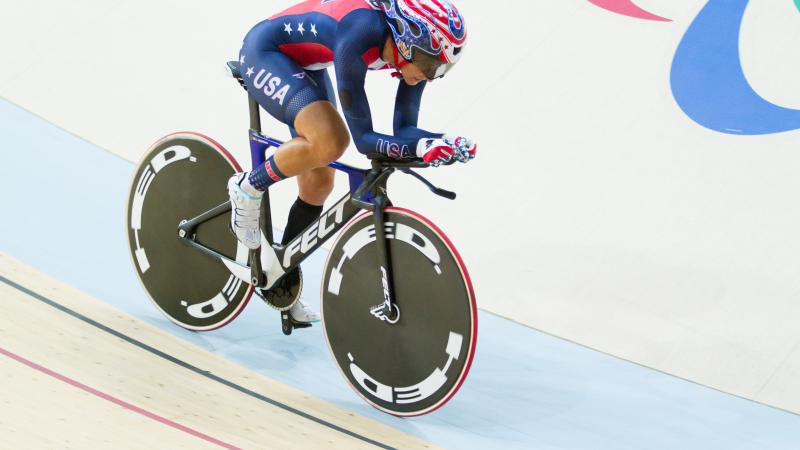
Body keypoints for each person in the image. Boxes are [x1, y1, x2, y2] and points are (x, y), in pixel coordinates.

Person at [228, 0, 477, 325]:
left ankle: (278, 274)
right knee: (331, 140)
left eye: (442, 69)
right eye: (433, 66)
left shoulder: (412, 54)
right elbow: (364, 140)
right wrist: (420, 147)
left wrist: (439, 142)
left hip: (306, 65)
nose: (433, 76)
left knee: (319, 183)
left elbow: (404, 129)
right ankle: (247, 188)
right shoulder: (359, 32)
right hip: (266, 51)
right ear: (407, 37)